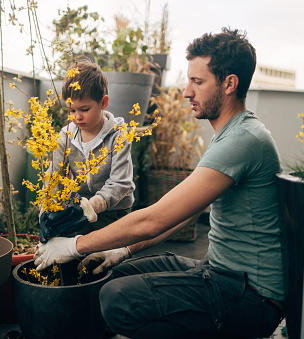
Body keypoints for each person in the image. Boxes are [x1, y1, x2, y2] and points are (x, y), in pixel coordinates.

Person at [35, 28, 287, 339]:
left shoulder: (243, 140)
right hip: (219, 271)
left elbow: (154, 219)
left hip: (251, 297)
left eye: (197, 81)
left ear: (229, 84)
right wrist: (122, 251)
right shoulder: (231, 135)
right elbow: (183, 215)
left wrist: (73, 246)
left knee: (118, 300)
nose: (186, 92)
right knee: (106, 274)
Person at [39, 60, 135, 242]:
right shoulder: (65, 136)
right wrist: (47, 210)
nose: (77, 117)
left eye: (84, 109)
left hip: (114, 212)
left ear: (103, 102)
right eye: (71, 110)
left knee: (107, 254)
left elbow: (121, 183)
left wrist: (92, 206)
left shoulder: (119, 136)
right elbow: (54, 177)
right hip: (79, 211)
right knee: (77, 256)